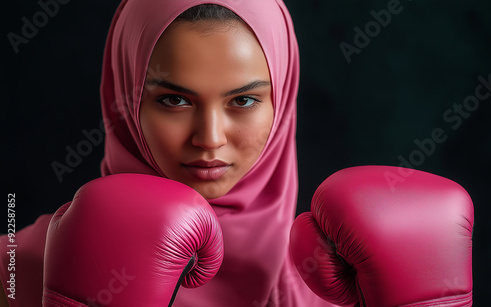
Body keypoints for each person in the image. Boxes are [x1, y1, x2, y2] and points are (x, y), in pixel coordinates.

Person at [0, 0, 334, 306]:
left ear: (283, 100)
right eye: (175, 100)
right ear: (126, 103)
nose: (210, 138)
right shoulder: (18, 267)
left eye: (243, 100)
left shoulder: (338, 280)